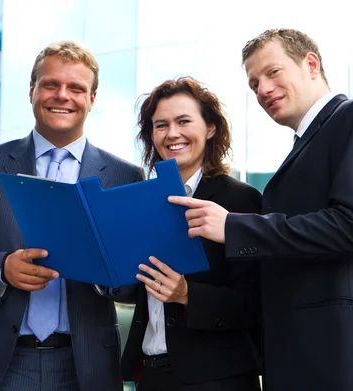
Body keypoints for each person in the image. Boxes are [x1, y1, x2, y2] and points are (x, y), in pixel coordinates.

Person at [169, 29, 353, 391]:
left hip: (346, 356)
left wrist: (235, 228)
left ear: (310, 64)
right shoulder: (303, 148)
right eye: (253, 84)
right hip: (306, 356)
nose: (262, 89)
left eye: (273, 73)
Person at [0, 41, 142, 391]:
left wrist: (106, 270)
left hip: (86, 364)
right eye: (50, 84)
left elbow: (134, 284)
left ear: (91, 99)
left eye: (76, 88)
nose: (63, 95)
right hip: (1, 360)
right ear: (32, 91)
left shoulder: (124, 177)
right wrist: (0, 269)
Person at [119, 77, 262, 391]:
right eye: (161, 125)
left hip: (217, 379)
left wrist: (186, 294)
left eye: (183, 121)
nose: (172, 133)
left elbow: (255, 303)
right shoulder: (142, 201)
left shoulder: (241, 200)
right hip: (151, 376)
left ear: (210, 128)